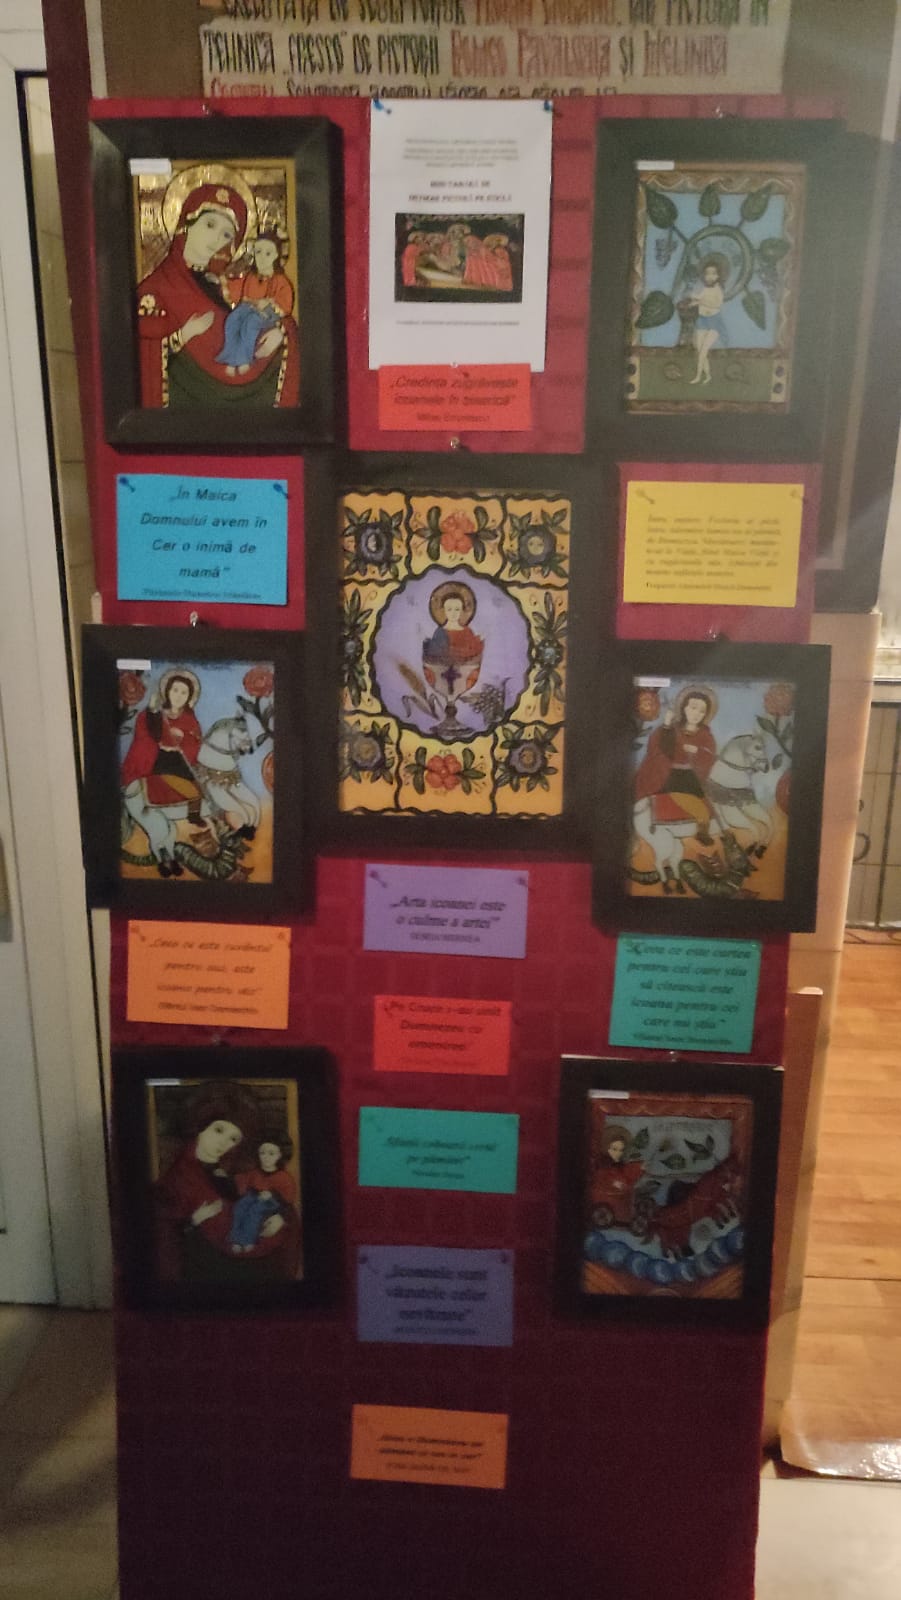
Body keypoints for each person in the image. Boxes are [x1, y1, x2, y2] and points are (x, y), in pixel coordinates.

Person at [135, 181, 300, 409]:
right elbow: (143, 351)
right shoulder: (155, 290)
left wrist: (281, 333)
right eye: (210, 225)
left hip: (241, 393)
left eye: (226, 234)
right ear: (186, 225)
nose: (216, 239)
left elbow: (246, 328)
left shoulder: (219, 285)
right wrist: (184, 334)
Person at [152, 1082, 300, 1286]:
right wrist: (193, 1221)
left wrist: (281, 1218)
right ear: (200, 1127)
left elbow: (254, 1195)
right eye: (219, 1130)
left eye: (233, 1139)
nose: (224, 1143)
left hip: (246, 1249)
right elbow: (165, 1233)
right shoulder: (178, 1177)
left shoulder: (229, 1169)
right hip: (209, 1266)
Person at [120, 670, 211, 873]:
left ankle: (193, 815)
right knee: (162, 825)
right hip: (156, 763)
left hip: (178, 762)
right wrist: (158, 733)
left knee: (197, 790)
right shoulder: (152, 713)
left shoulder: (189, 719)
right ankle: (163, 859)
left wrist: (181, 742)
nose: (178, 695)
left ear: (189, 697)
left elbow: (195, 742)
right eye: (175, 690)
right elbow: (145, 737)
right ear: (167, 691)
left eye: (184, 692)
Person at [634, 688, 718, 846]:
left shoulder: (705, 735)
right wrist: (666, 725)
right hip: (669, 775)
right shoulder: (672, 729)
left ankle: (702, 829)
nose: (696, 714)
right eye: (693, 708)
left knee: (709, 804)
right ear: (684, 708)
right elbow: (658, 748)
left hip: (691, 777)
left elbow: (710, 755)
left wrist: (697, 751)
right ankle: (701, 830)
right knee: (691, 803)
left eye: (701, 711)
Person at [216, 234, 295, 377]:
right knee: (233, 319)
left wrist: (269, 302)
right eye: (258, 252)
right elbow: (237, 290)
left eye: (268, 253)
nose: (262, 257)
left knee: (251, 323)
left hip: (267, 312)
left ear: (276, 255)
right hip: (248, 307)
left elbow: (284, 304)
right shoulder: (251, 276)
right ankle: (230, 358)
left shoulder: (279, 280)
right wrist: (224, 282)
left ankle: (244, 360)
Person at [228, 1135, 298, 1254]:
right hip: (254, 1196)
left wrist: (272, 1195)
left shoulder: (284, 1177)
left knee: (255, 1210)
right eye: (262, 1153)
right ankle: (236, 1239)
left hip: (272, 1201)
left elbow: (287, 1198)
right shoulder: (255, 1172)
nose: (266, 1157)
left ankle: (248, 1240)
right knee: (240, 1206)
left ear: (279, 1155)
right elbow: (242, 1180)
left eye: (271, 1153)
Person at [423, 583, 483, 701]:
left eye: (457, 609)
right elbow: (434, 652)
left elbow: (473, 652)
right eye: (449, 609)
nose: (453, 613)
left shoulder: (467, 632)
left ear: (462, 611)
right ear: (444, 611)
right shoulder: (440, 632)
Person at [686, 257, 728, 385]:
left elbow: (716, 304)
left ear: (718, 276)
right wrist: (693, 301)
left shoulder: (718, 289)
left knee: (703, 351)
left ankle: (698, 376)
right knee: (700, 350)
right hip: (702, 320)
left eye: (713, 273)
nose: (710, 276)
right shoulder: (704, 288)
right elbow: (698, 298)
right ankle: (708, 376)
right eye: (707, 273)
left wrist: (700, 301)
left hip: (714, 322)